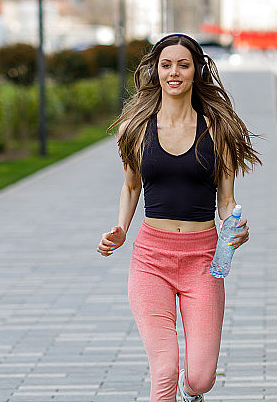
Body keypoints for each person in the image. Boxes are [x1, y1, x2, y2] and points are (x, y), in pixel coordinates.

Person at [97, 33, 261, 402]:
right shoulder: (135, 128)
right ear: (155, 71)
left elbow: (226, 200)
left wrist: (235, 228)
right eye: (166, 65)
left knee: (200, 378)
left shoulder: (218, 130)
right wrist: (121, 228)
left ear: (195, 71)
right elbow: (131, 186)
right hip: (150, 260)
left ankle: (192, 393)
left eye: (183, 65)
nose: (174, 72)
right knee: (164, 368)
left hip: (202, 260)